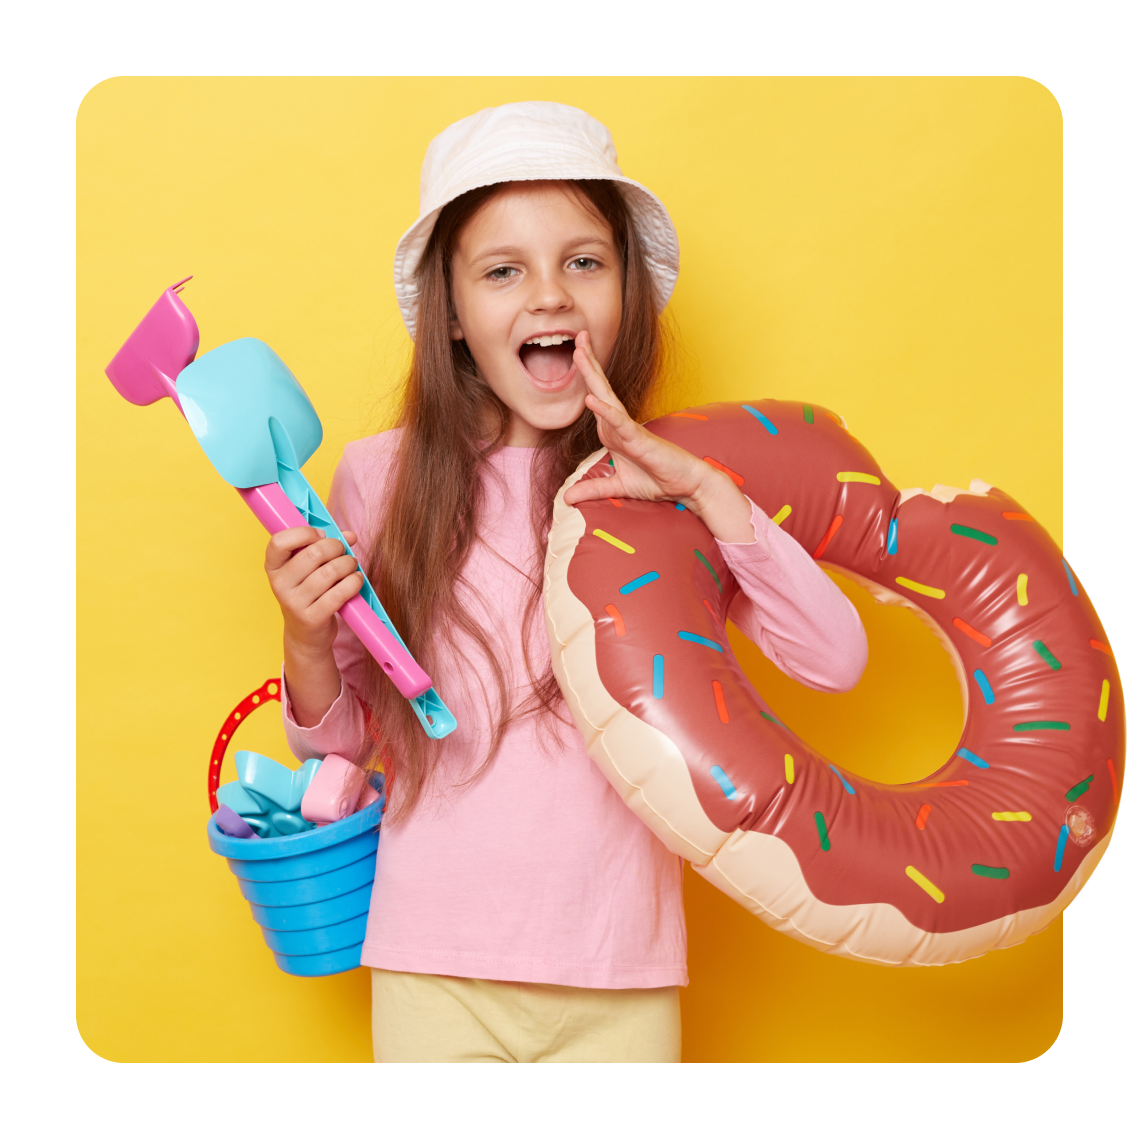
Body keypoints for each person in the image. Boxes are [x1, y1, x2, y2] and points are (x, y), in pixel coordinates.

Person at [263, 102, 868, 1062]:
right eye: (504, 271)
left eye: (583, 262)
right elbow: (356, 737)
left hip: (619, 967)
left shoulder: (662, 482)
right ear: (453, 319)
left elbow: (835, 658)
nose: (549, 295)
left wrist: (710, 491)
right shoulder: (378, 479)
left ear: (625, 291)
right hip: (434, 964)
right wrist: (303, 637)